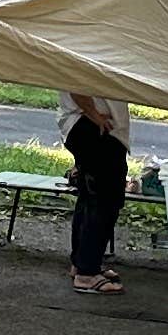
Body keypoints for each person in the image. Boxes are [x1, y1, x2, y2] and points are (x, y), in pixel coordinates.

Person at [62, 92, 133, 294]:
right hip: (94, 126)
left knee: (90, 199)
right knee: (104, 202)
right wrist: (94, 114)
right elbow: (76, 83)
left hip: (91, 125)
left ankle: (82, 263)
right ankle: (87, 274)